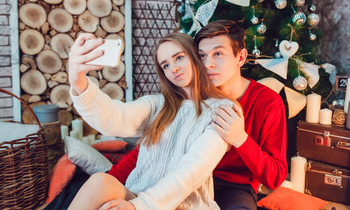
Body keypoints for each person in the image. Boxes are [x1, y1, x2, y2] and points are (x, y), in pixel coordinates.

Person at [107, 20, 288, 210]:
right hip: (179, 179)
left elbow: (275, 177)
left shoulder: (268, 103)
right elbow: (150, 150)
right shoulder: (189, 96)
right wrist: (108, 180)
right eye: (202, 55)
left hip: (231, 188)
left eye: (218, 54)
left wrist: (240, 139)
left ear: (240, 57)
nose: (208, 64)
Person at [67, 32, 238, 210]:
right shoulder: (158, 104)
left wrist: (137, 207)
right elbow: (114, 118)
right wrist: (78, 81)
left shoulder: (223, 109)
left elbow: (191, 172)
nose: (173, 68)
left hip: (184, 206)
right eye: (165, 65)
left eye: (179, 58)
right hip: (139, 195)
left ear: (195, 55)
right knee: (100, 181)